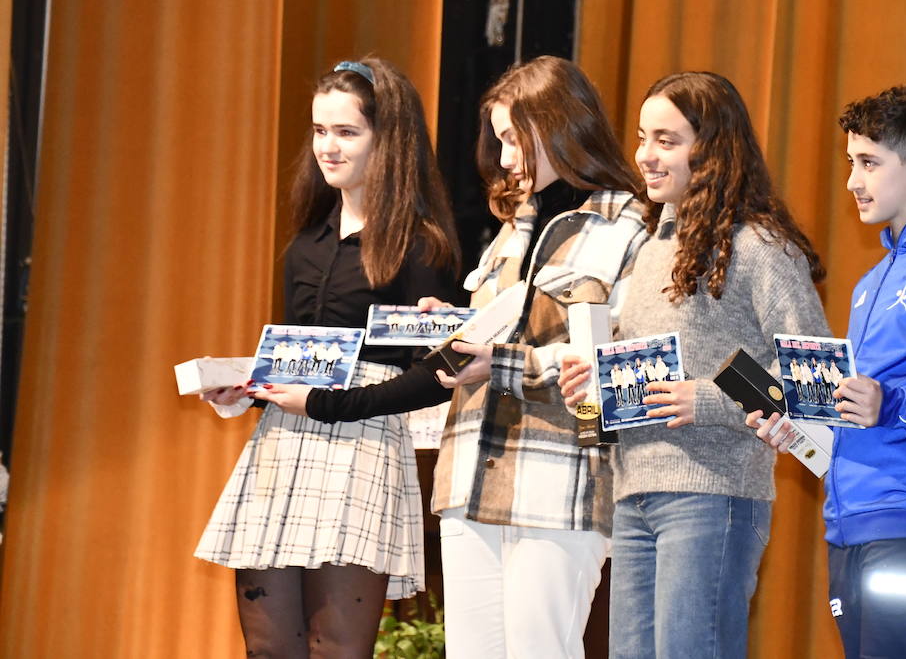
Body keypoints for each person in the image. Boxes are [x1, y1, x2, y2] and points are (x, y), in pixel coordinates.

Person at [254, 56, 649, 659]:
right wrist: (449, 324)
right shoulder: (513, 229)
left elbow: (617, 363)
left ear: (558, 129)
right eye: (499, 141)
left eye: (515, 140)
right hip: (468, 477)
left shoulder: (626, 229)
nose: (508, 158)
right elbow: (499, 331)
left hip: (556, 480)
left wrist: (504, 362)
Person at [559, 71, 830, 659]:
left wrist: (706, 399)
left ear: (711, 149)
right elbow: (639, 382)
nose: (645, 156)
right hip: (633, 494)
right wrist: (591, 389)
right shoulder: (651, 249)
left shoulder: (760, 246)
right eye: (641, 137)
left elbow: (817, 387)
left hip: (715, 496)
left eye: (667, 140)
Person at [196, 58, 461, 657]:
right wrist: (247, 381)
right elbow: (301, 356)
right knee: (268, 648)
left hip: (361, 448)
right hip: (283, 446)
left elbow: (439, 374)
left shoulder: (419, 244)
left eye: (346, 132)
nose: (327, 147)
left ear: (388, 140)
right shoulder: (305, 246)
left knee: (335, 648)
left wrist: (327, 403)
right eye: (319, 131)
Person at [750, 82, 906, 658]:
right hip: (849, 524)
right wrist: (800, 429)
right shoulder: (870, 282)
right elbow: (856, 408)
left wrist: (892, 404)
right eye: (851, 162)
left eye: (869, 162)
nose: (852, 180)